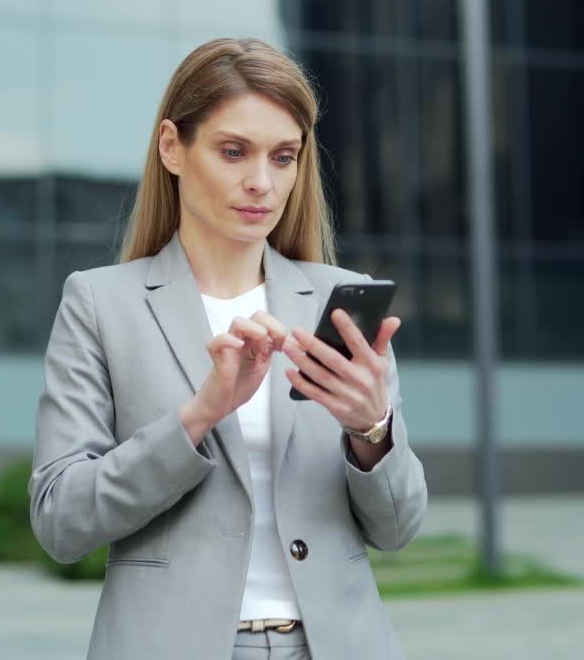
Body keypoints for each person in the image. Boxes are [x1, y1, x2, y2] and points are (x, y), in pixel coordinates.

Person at [28, 37, 428, 660]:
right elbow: (60, 523)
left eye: (284, 156)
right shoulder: (101, 304)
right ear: (172, 148)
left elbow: (398, 529)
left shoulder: (339, 306)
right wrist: (198, 416)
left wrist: (371, 430)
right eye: (234, 151)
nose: (261, 183)